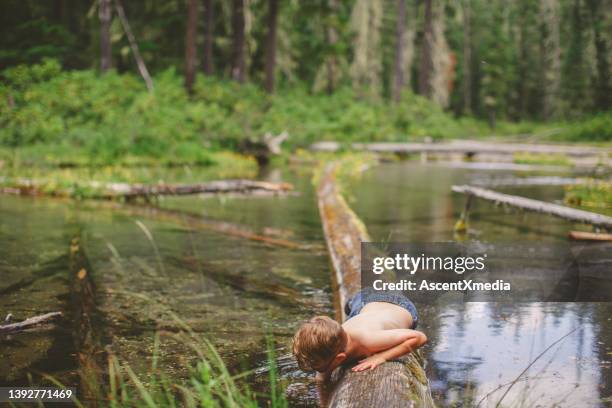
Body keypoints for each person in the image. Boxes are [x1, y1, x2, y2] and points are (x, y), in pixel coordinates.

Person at [292, 289, 427, 379]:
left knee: (355, 306)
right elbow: (321, 380)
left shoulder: (369, 340)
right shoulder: (334, 346)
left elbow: (420, 337)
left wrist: (382, 357)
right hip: (363, 306)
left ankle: (351, 302)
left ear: (340, 358)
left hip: (399, 304)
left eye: (320, 369)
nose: (319, 372)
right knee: (354, 307)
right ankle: (351, 302)